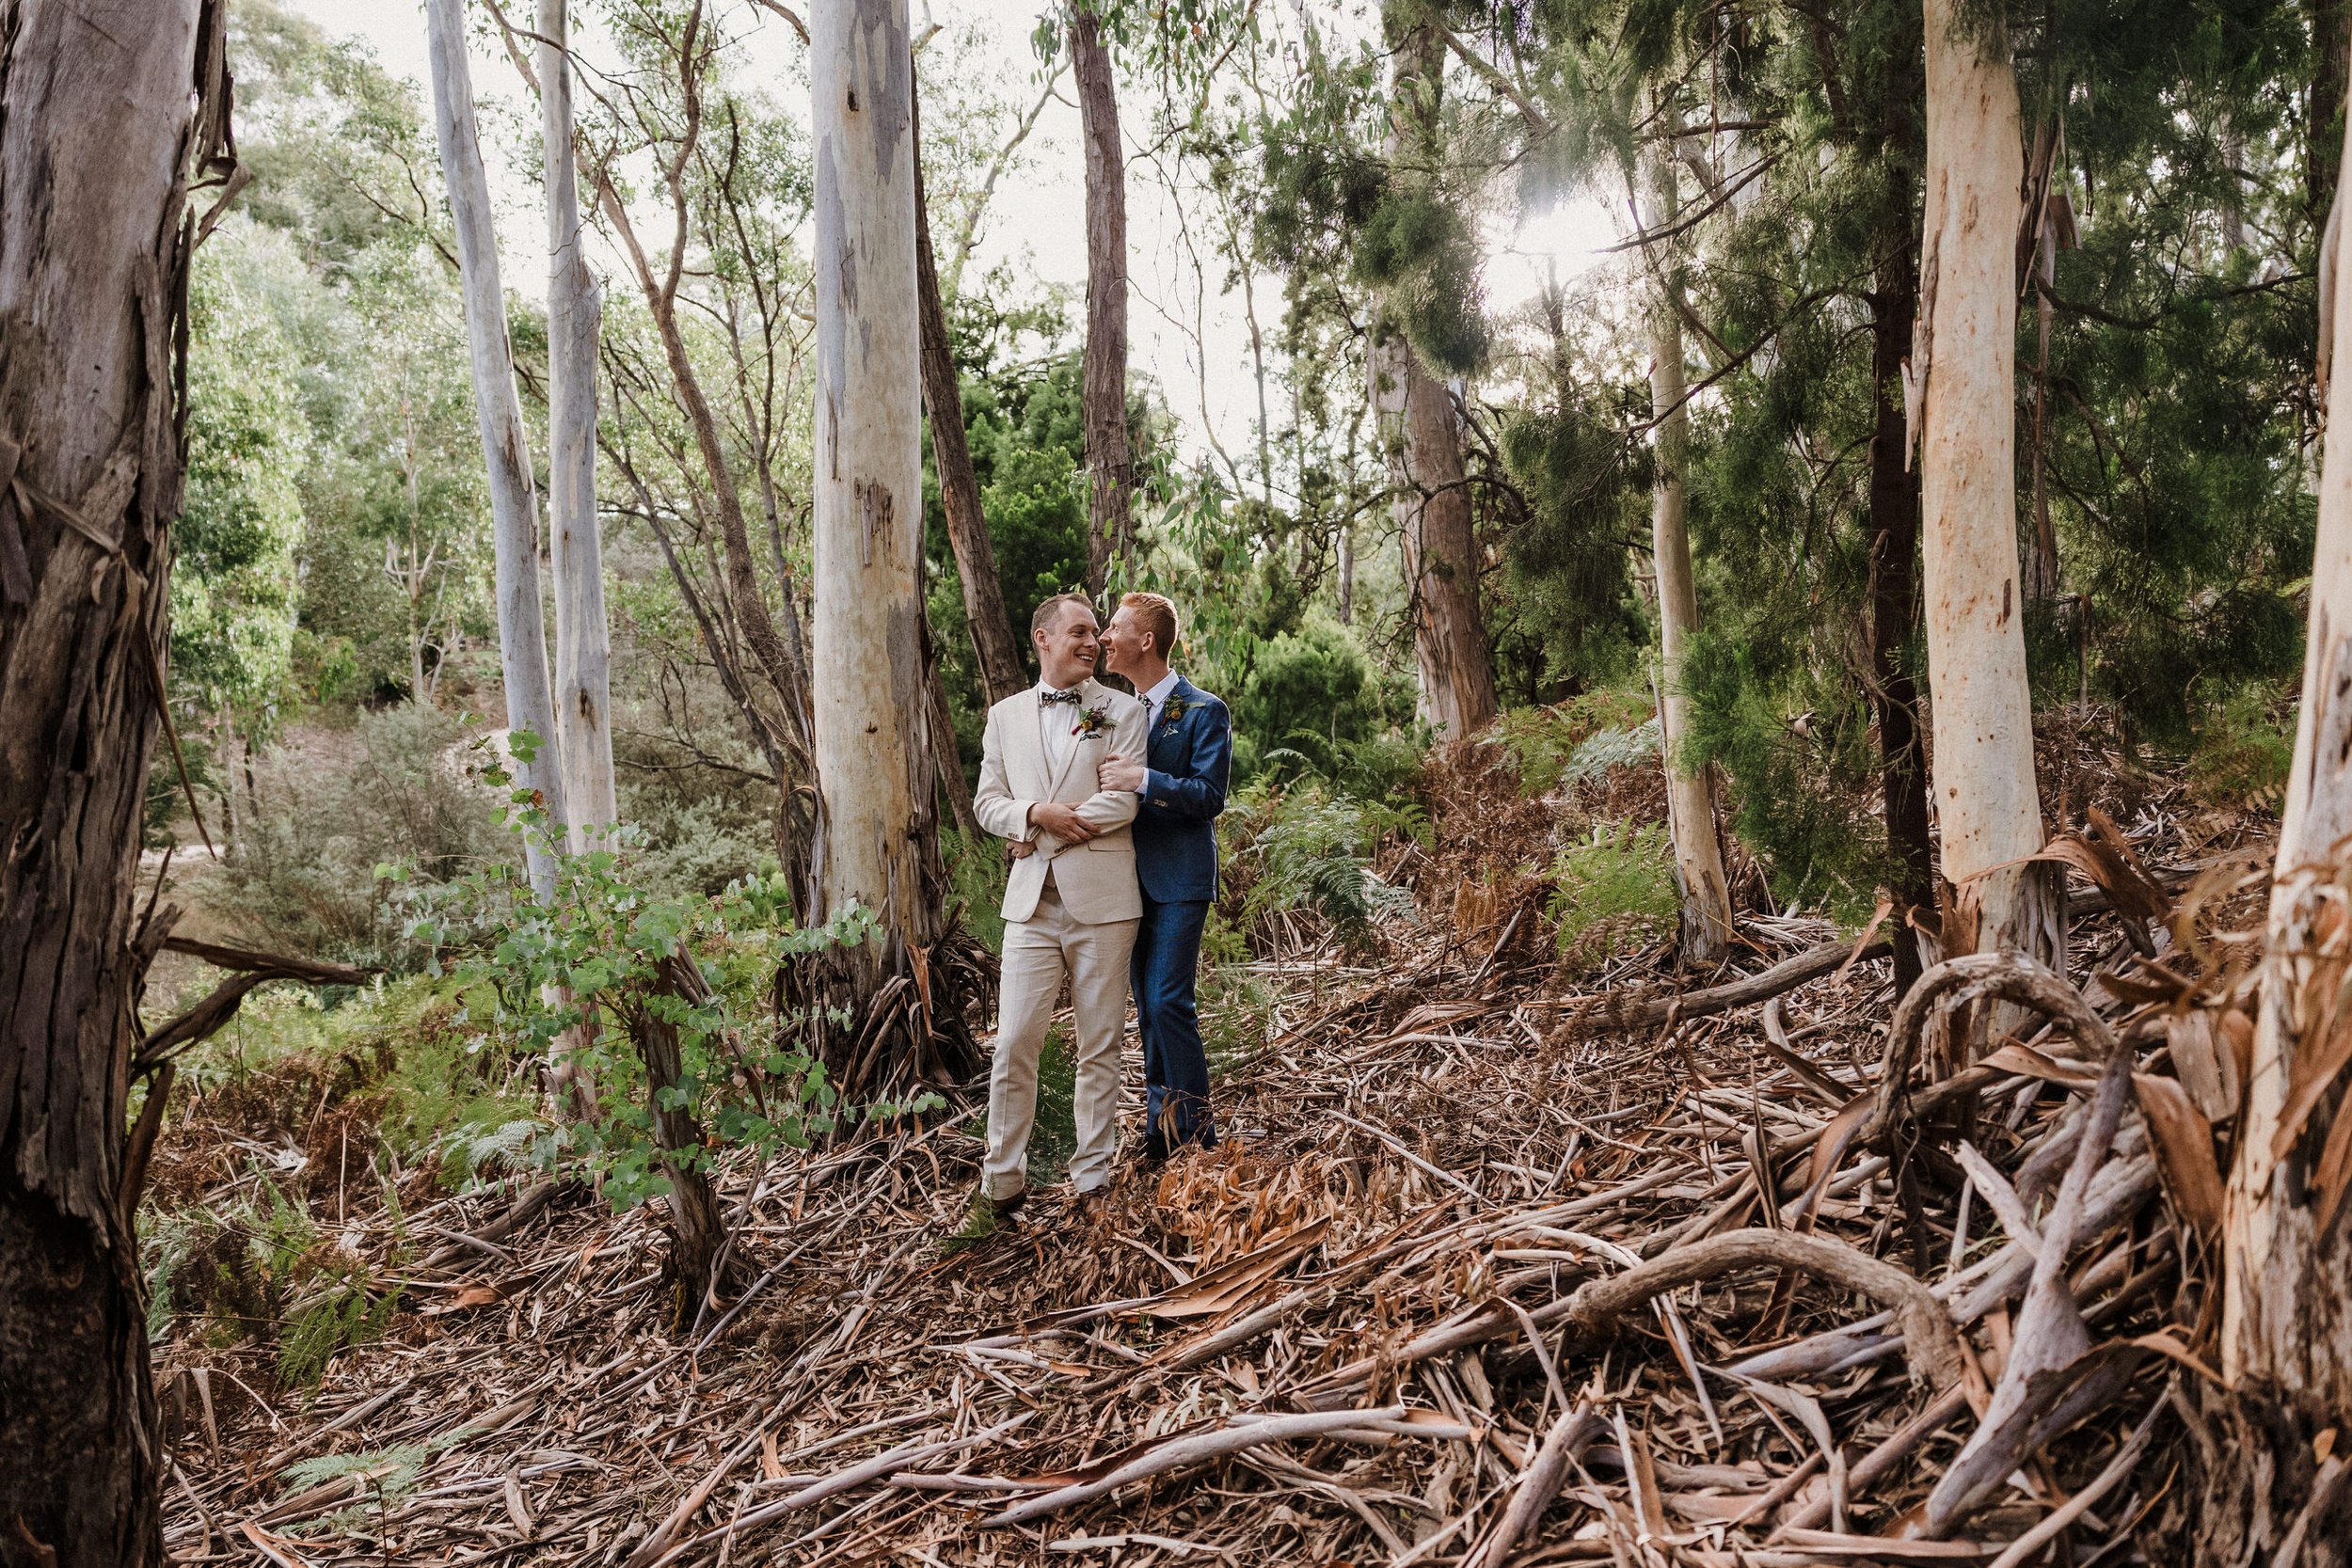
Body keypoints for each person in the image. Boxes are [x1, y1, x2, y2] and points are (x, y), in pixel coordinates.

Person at [947, 593, 1149, 1248]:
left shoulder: (1122, 709)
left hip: (1104, 902)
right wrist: (1033, 815)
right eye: (1079, 631)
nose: (1092, 642)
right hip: (1032, 904)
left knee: (1098, 1047)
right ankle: (1002, 1182)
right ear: (1042, 638)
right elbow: (988, 803)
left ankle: (1093, 1177)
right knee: (1013, 1044)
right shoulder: (1003, 716)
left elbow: (1123, 802)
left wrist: (1054, 829)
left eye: (1097, 633)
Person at [1098, 592, 1232, 1163]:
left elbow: (1209, 796)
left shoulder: (1203, 710)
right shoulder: (1111, 714)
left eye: (1114, 628)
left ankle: (1199, 1134)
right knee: (1146, 1004)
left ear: (1145, 641)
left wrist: (1144, 779)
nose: (1104, 638)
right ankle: (1162, 1128)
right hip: (1127, 882)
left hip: (1179, 879)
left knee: (1168, 998)